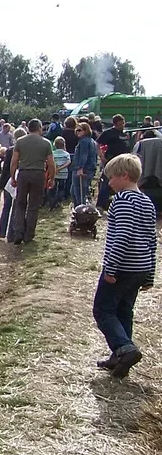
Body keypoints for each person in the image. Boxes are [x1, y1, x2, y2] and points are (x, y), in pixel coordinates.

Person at [93, 154, 156, 378]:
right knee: (123, 310)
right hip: (140, 267)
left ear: (124, 176)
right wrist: (150, 273)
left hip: (123, 267)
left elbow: (122, 236)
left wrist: (111, 267)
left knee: (103, 309)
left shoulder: (122, 201)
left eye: (111, 178)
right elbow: (152, 238)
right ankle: (120, 358)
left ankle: (125, 348)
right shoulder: (147, 202)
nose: (109, 183)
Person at [7, 119, 56, 244]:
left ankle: (18, 232)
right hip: (38, 174)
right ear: (39, 128)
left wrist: (13, 177)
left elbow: (14, 161)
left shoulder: (20, 141)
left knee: (20, 204)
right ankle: (29, 235)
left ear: (28, 128)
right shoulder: (46, 143)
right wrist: (51, 178)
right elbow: (51, 163)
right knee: (33, 206)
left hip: (23, 173)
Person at [95, 114, 132, 211]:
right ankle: (100, 205)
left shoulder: (125, 133)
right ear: (115, 124)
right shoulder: (109, 133)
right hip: (111, 161)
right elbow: (98, 143)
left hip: (124, 162)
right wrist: (101, 156)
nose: (122, 126)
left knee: (124, 183)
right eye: (119, 124)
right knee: (107, 183)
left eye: (123, 123)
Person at [0, 128, 27, 239]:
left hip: (9, 181)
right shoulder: (25, 150)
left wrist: (1, 185)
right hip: (20, 180)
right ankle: (11, 234)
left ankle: (2, 231)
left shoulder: (10, 151)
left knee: (6, 207)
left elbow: (5, 169)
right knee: (16, 208)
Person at [70, 122, 98, 206]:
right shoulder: (92, 141)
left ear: (86, 131)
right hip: (90, 169)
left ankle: (80, 212)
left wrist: (80, 168)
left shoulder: (83, 141)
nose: (77, 132)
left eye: (79, 130)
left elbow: (83, 155)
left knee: (78, 193)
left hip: (82, 170)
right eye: (76, 130)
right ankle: (80, 209)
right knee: (76, 191)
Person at [50, 137, 71, 209]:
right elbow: (68, 162)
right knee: (61, 187)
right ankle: (58, 200)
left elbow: (51, 161)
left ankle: (53, 201)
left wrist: (56, 168)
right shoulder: (66, 154)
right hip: (63, 173)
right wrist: (61, 168)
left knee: (53, 187)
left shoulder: (53, 153)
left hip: (54, 172)